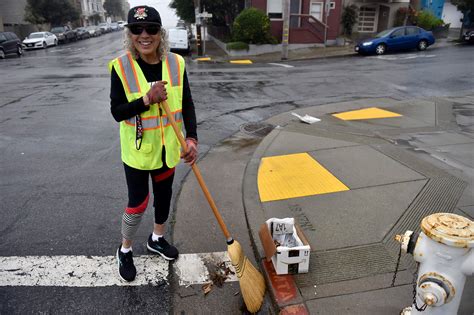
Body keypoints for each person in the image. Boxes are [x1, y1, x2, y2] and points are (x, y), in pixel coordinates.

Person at [108, 5, 198, 282]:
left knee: (164, 196)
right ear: (129, 34)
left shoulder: (176, 63)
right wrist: (146, 100)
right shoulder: (120, 67)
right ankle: (125, 249)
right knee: (138, 203)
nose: (144, 35)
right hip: (137, 153)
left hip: (168, 149)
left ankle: (156, 238)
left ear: (160, 33)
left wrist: (192, 139)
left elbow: (187, 104)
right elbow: (117, 112)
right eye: (136, 29)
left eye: (151, 29)